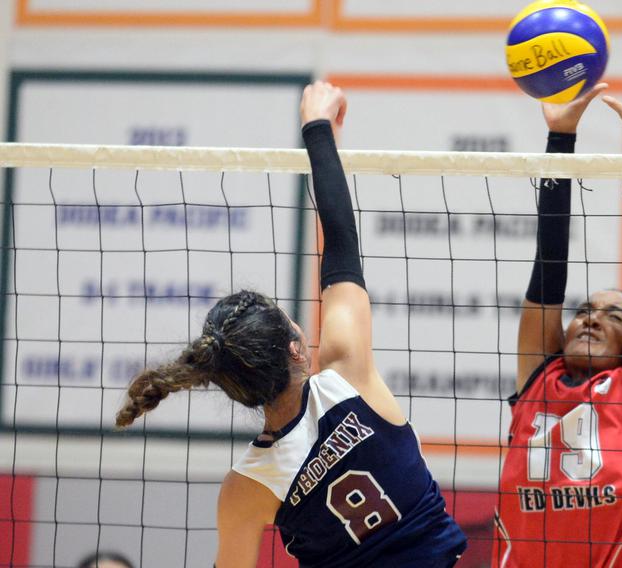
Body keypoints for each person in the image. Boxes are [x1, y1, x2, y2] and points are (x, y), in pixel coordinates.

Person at [115, 81, 467, 568]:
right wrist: (317, 129)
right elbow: (341, 239)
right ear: (296, 347)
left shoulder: (245, 487)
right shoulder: (346, 378)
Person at [492, 56, 622, 567]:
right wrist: (561, 138)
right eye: (585, 310)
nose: (590, 317)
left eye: (614, 316)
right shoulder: (540, 374)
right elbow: (549, 262)